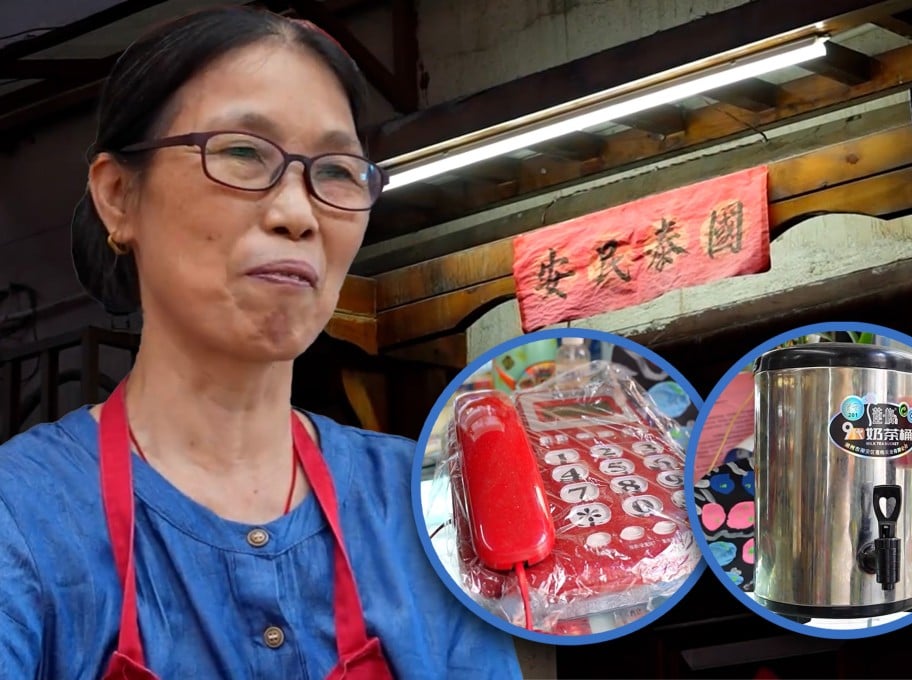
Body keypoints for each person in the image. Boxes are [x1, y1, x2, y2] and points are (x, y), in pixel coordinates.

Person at [0, 6, 523, 679]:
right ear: (119, 195)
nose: (297, 214)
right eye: (244, 154)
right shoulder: (24, 517)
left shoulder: (421, 510)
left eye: (336, 171)